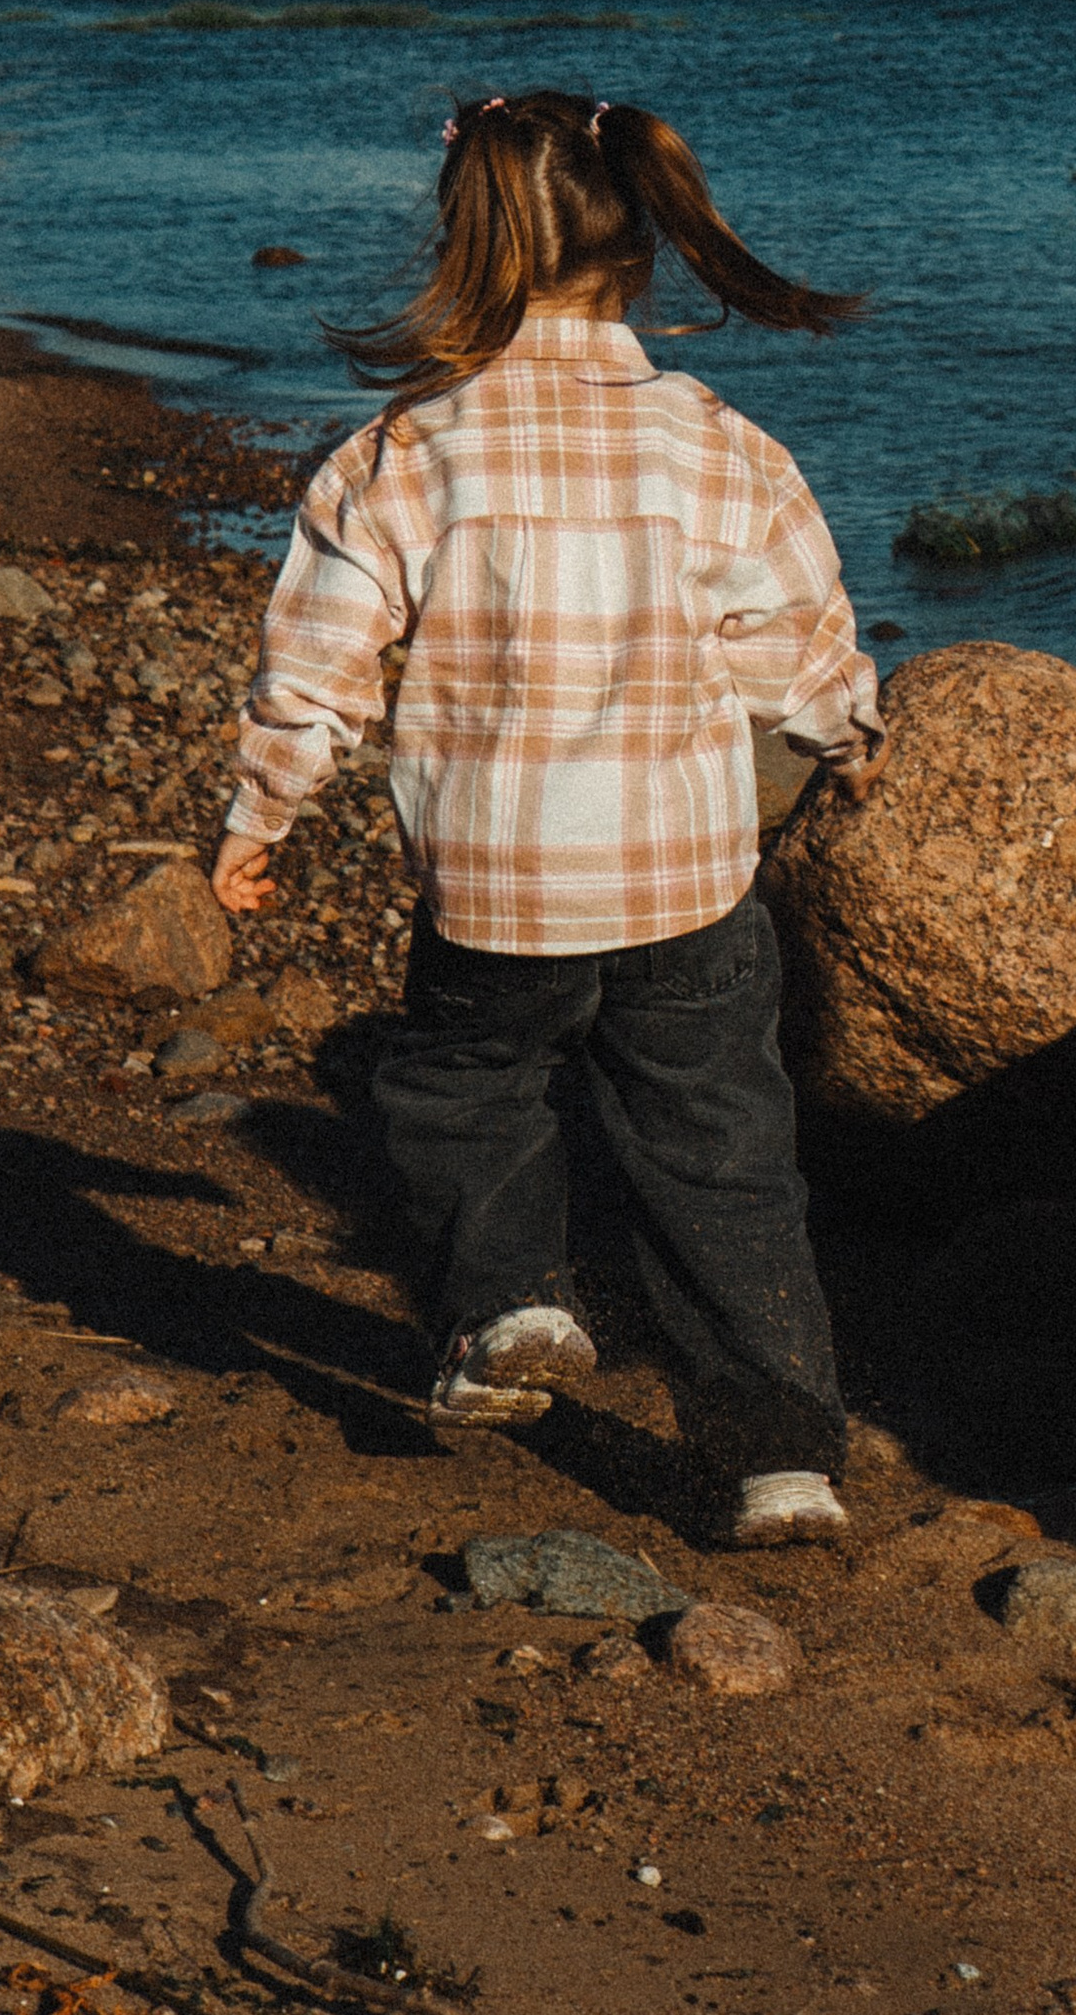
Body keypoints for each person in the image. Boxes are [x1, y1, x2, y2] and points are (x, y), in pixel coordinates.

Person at [208, 86, 883, 1546]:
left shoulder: (406, 452)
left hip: (497, 884)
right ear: (643, 249)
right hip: (687, 882)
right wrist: (850, 731)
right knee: (721, 1161)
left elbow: (317, 662)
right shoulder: (715, 444)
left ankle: (512, 1305)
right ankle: (781, 1463)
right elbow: (792, 641)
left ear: (467, 247)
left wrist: (262, 813)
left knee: (464, 1096)